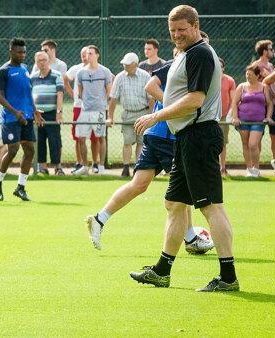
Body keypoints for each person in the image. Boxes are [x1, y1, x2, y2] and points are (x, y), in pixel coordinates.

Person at [131, 5, 239, 292]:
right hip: (186, 138)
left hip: (199, 136)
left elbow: (195, 99)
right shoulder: (186, 54)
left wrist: (157, 114)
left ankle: (228, 278)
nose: (177, 35)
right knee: (174, 204)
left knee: (210, 207)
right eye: (172, 31)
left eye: (182, 29)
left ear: (195, 26)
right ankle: (162, 271)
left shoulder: (201, 53)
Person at [85, 47, 214, 255]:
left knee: (139, 184)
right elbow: (150, 86)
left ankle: (100, 219)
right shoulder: (175, 67)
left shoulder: (196, 70)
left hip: (156, 135)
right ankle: (190, 238)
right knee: (182, 188)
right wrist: (171, 107)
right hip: (166, 136)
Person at [0, 38, 44, 202]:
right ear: (11, 52)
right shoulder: (4, 71)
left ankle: (20, 187)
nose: (22, 55)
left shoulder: (25, 69)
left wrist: (35, 111)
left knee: (29, 150)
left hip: (27, 115)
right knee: (13, 150)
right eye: (19, 52)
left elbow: (28, 92)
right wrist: (15, 112)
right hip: (11, 118)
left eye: (24, 52)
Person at [108, 52, 152, 177]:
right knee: (127, 141)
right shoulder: (120, 77)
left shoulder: (145, 76)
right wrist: (110, 117)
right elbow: (113, 98)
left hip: (142, 113)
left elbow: (151, 99)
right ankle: (126, 167)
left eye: (127, 64)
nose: (125, 66)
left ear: (135, 64)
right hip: (127, 114)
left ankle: (137, 167)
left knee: (141, 141)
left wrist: (149, 115)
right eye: (124, 64)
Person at [74, 45, 112, 175]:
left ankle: (101, 167)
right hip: (84, 111)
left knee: (101, 138)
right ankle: (85, 167)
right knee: (81, 138)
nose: (87, 56)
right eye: (86, 54)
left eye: (90, 53)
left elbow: (109, 92)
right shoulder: (81, 73)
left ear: (97, 55)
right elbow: (80, 93)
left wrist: (101, 104)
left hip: (100, 110)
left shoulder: (105, 71)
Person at [231, 64, 274, 177]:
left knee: (253, 145)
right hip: (243, 121)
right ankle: (249, 169)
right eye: (247, 74)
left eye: (250, 74)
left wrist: (268, 117)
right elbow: (234, 103)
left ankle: (256, 169)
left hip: (258, 122)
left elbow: (269, 104)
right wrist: (235, 117)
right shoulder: (241, 86)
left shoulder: (264, 87)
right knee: (245, 144)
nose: (248, 76)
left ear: (257, 75)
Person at [64, 46, 99, 175]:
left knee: (95, 138)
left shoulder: (98, 69)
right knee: (78, 137)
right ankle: (80, 163)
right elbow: (65, 79)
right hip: (78, 107)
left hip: (94, 107)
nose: (85, 57)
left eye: (87, 54)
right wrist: (72, 95)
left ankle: (95, 163)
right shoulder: (76, 68)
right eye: (82, 54)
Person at [31, 51, 64, 176]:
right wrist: (34, 113)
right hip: (37, 114)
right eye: (39, 60)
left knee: (54, 141)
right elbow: (29, 96)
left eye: (44, 60)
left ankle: (58, 167)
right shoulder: (32, 77)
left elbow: (60, 94)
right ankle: (42, 168)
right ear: (36, 63)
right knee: (39, 141)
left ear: (48, 61)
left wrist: (59, 112)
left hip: (52, 114)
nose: (42, 63)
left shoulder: (56, 75)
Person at [219, 58, 236, 175]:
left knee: (222, 143)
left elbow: (234, 99)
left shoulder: (229, 80)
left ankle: (223, 167)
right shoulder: (208, 77)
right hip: (209, 116)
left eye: (220, 66)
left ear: (223, 67)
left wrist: (231, 114)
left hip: (223, 117)